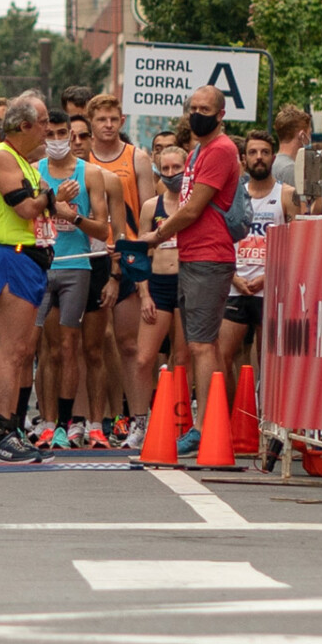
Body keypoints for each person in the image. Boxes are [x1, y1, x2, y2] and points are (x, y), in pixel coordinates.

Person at [143, 86, 241, 456]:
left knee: (201, 345)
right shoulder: (199, 150)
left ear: (220, 115)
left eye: (205, 108)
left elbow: (191, 209)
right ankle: (214, 421)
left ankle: (205, 427)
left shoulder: (220, 150)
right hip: (194, 254)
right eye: (193, 108)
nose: (196, 114)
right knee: (203, 343)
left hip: (208, 256)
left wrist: (156, 235)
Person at [0, 96, 54, 463]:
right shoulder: (2, 157)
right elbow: (25, 207)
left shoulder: (24, 160)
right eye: (41, 122)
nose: (47, 129)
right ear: (23, 126)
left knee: (23, 350)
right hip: (11, 256)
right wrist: (49, 195)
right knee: (11, 349)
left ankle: (12, 428)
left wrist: (53, 198)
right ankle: (3, 432)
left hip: (27, 256)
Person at [33, 109, 111, 450]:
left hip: (78, 265)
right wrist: (54, 203)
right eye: (48, 134)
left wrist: (73, 215)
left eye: (61, 133)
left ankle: (70, 423)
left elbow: (103, 228)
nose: (56, 140)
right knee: (45, 350)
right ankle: (47, 423)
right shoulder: (34, 171)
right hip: (42, 263)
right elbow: (27, 215)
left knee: (69, 347)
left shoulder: (90, 173)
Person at [85, 93, 154, 443]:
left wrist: (140, 257)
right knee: (90, 345)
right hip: (91, 257)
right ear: (91, 122)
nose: (108, 125)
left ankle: (139, 419)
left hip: (126, 258)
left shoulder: (137, 158)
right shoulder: (84, 160)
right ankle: (89, 421)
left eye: (114, 119)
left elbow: (148, 210)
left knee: (129, 344)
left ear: (122, 121)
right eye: (102, 120)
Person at [218, 130, 297, 381]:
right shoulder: (232, 197)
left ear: (273, 157)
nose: (259, 157)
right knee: (222, 356)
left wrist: (267, 276)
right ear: (243, 159)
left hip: (271, 286)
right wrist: (233, 278)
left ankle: (268, 418)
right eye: (253, 153)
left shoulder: (286, 194)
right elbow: (220, 241)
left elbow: (295, 244)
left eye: (264, 152)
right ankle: (230, 419)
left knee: (271, 361)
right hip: (236, 285)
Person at [130, 143, 190, 452]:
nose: (170, 174)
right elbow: (141, 253)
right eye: (164, 169)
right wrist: (144, 294)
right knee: (143, 358)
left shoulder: (193, 204)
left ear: (186, 168)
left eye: (175, 169)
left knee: (181, 359)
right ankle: (140, 422)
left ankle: (179, 423)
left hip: (186, 283)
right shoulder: (152, 207)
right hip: (158, 283)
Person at [273, 104, 312, 188]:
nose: (309, 139)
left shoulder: (271, 163)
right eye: (309, 134)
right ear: (302, 135)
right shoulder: (291, 169)